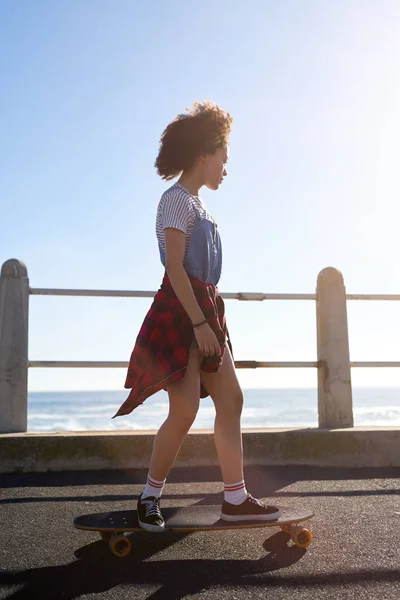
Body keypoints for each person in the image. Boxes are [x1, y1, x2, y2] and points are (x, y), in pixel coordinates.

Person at [113, 101, 280, 531]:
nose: (226, 168)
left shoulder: (200, 206)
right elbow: (173, 268)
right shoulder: (175, 200)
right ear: (204, 155)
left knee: (232, 400)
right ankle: (149, 498)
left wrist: (210, 321)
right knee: (184, 411)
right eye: (224, 159)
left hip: (207, 309)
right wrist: (200, 325)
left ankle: (235, 498)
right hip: (182, 310)